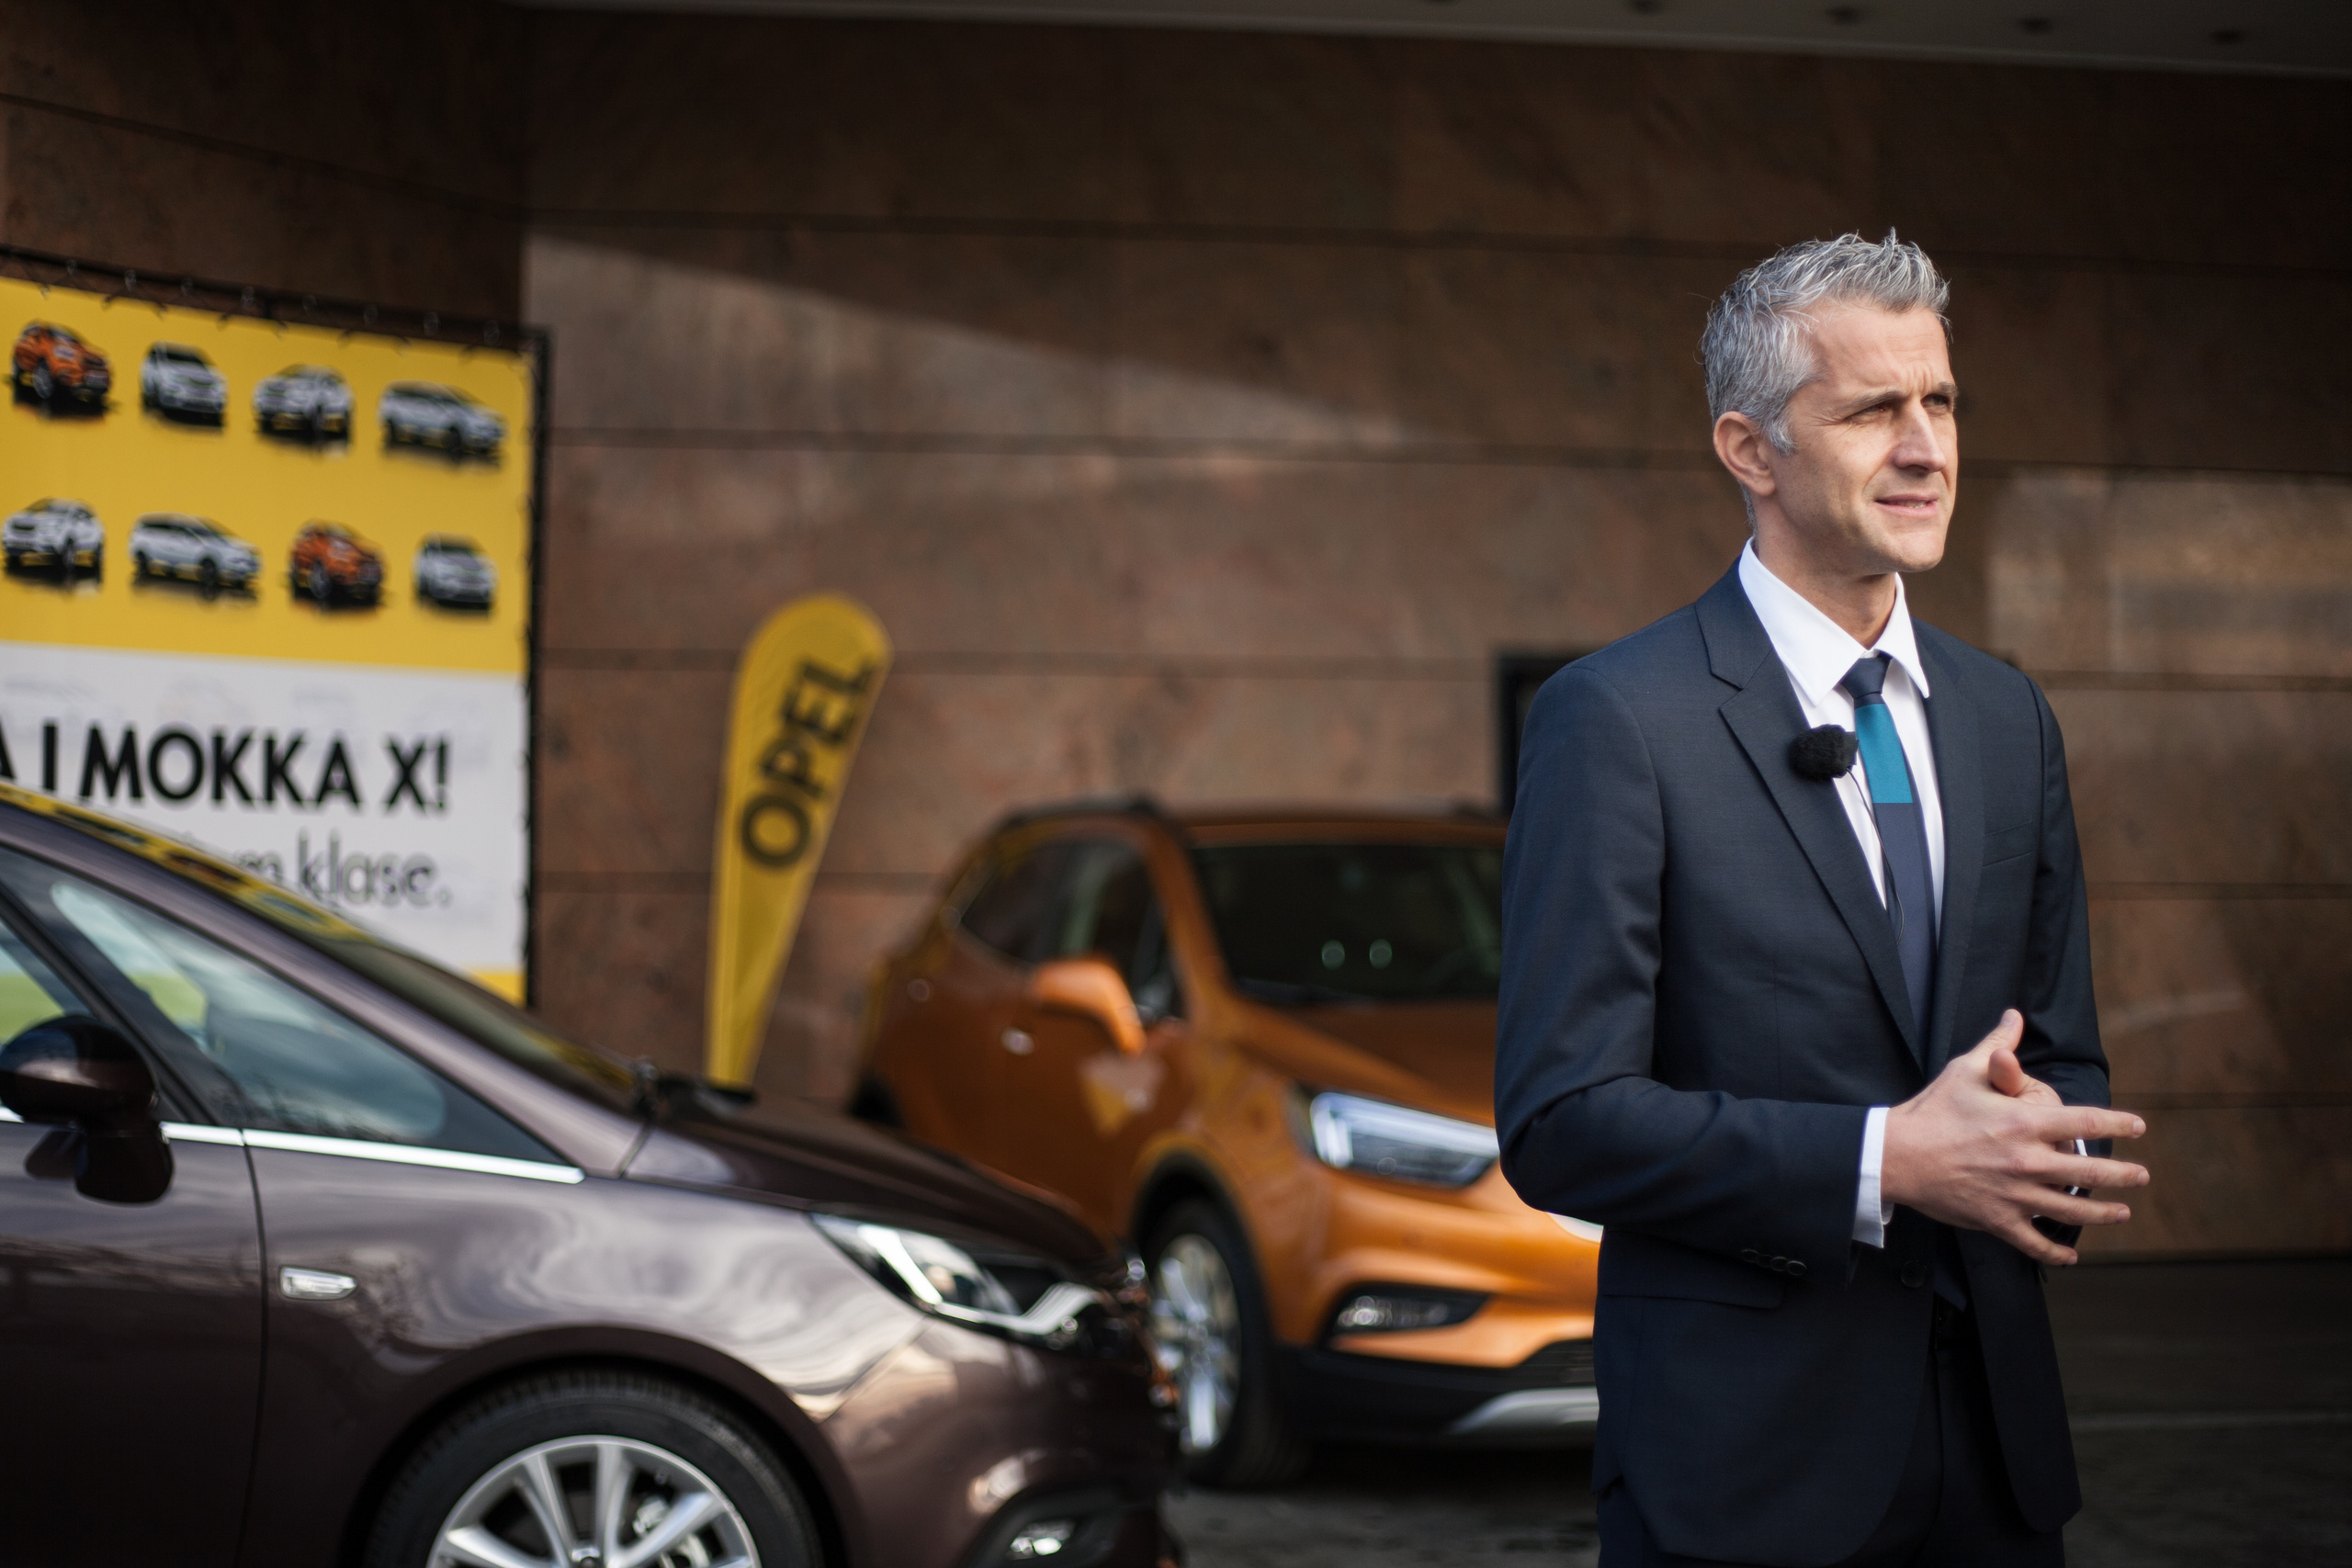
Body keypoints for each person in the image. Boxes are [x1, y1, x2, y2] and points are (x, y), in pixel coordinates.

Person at [1495, 232, 2151, 1567]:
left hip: (1997, 1466)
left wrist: (2048, 1161)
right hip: (1743, 1475)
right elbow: (1562, 1121)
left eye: (1943, 401)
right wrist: (1887, 1163)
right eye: (1871, 409)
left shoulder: (2005, 715)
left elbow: (2058, 1047)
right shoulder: (1618, 720)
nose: (1926, 447)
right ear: (1751, 451)